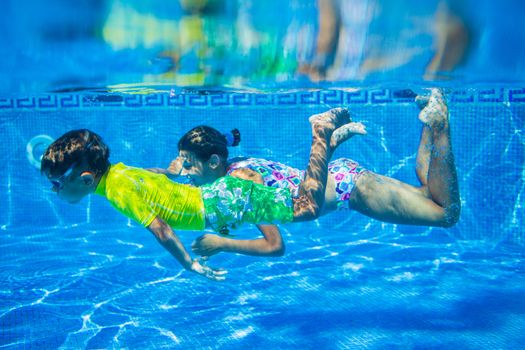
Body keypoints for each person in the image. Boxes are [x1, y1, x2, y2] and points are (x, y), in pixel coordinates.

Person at [40, 110, 348, 281]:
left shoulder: (118, 193)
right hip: (216, 196)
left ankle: (320, 134)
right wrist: (172, 173)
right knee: (304, 203)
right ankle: (329, 144)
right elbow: (152, 174)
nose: (56, 191)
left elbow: (161, 230)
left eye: (57, 184)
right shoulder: (119, 172)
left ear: (84, 179)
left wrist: (189, 264)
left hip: (221, 204)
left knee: (307, 207)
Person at [167, 89, 460, 258]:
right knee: (429, 192)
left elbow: (274, 245)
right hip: (341, 175)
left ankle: (438, 124)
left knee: (446, 214)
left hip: (352, 190)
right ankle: (430, 113)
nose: (186, 172)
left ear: (215, 161)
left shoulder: (238, 186)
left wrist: (221, 243)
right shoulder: (236, 162)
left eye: (189, 164)